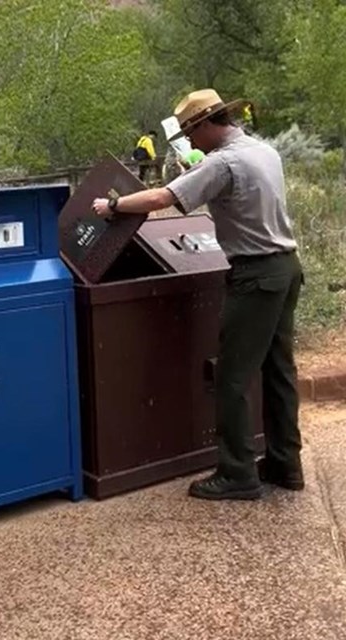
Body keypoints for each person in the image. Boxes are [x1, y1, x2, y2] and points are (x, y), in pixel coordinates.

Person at [93, 89, 304, 501]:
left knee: (232, 376)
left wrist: (113, 206)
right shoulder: (263, 151)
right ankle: (284, 463)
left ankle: (237, 473)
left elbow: (161, 198)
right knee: (279, 371)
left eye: (191, 133)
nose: (190, 143)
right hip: (286, 268)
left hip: (255, 275)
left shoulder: (223, 162)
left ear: (208, 124)